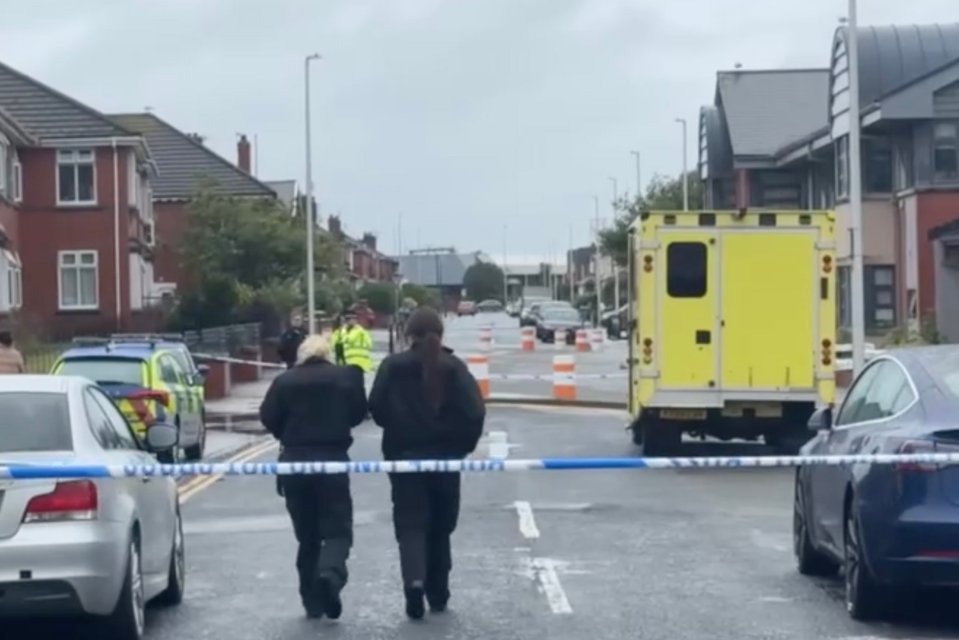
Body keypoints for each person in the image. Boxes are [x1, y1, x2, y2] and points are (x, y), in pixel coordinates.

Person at [368, 307, 486, 619]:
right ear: (440, 333)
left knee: (410, 524)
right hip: (445, 460)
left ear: (409, 334)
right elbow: (475, 412)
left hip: (403, 458)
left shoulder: (392, 366)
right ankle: (438, 593)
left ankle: (414, 582)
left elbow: (376, 407)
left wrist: (397, 429)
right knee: (441, 527)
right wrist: (461, 447)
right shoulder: (454, 367)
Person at [259, 334, 368, 620]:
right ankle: (330, 575)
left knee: (307, 537)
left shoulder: (284, 381)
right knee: (337, 530)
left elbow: (268, 417)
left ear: (301, 355)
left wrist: (289, 432)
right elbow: (358, 414)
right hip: (332, 461)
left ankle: (311, 601)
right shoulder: (343, 378)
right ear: (327, 354)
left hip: (294, 464)